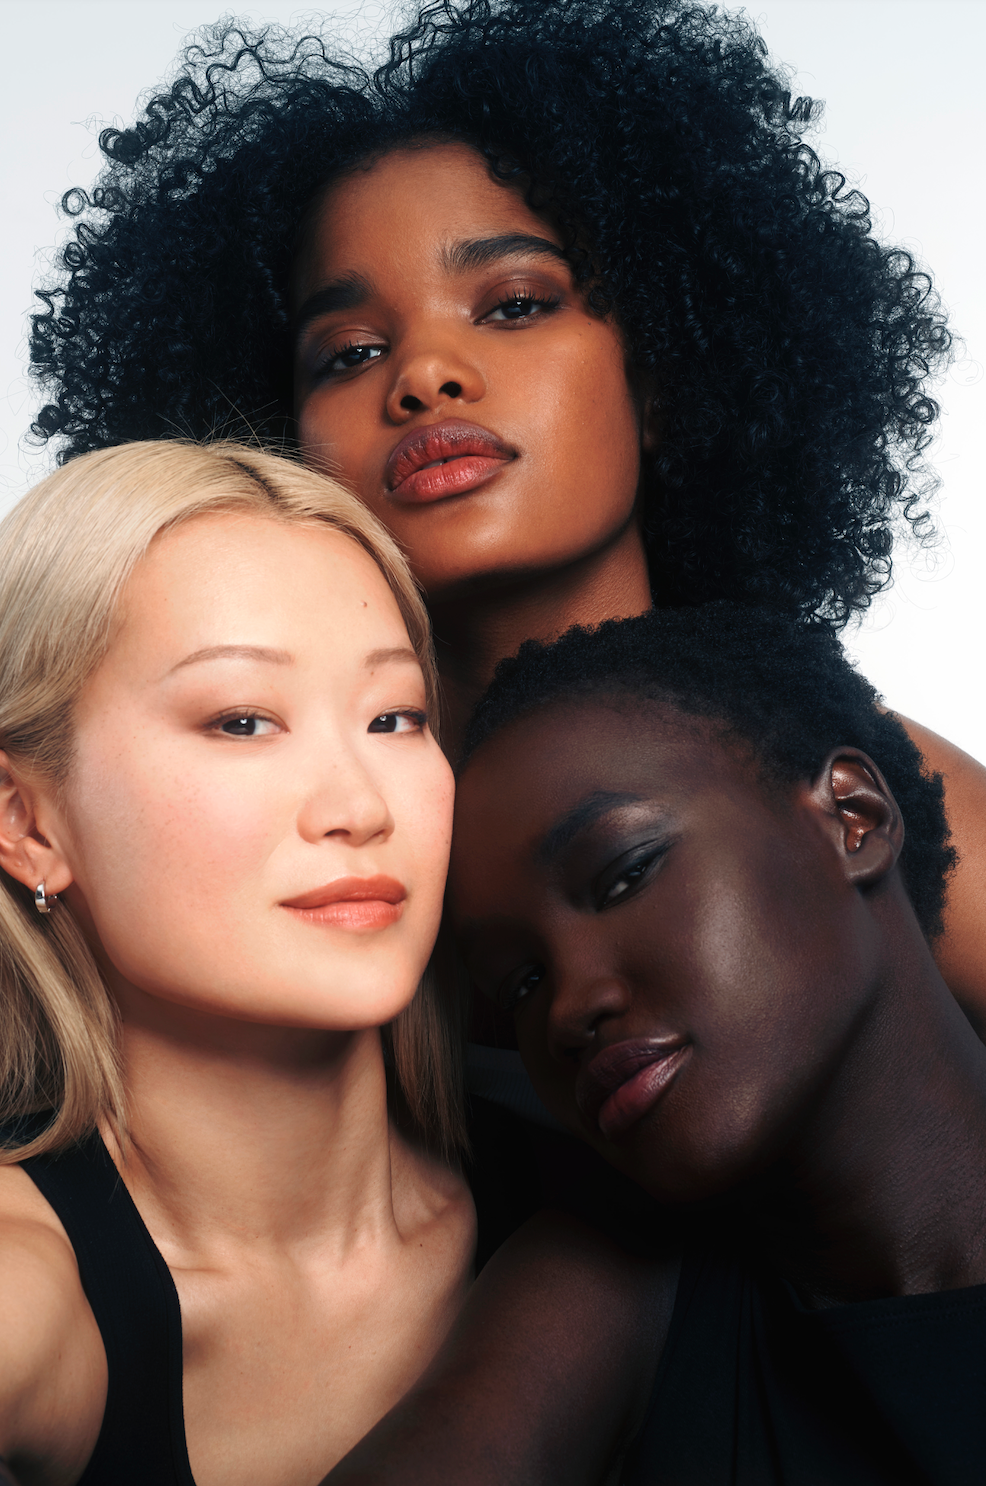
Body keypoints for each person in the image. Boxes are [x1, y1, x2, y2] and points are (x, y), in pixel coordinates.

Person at [26, 0, 986, 1017]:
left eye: (515, 305)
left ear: (663, 380)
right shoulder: (251, 854)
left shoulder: (844, 773)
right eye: (349, 353)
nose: (424, 375)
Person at [0, 440, 665, 1486]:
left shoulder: (621, 1174)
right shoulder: (27, 1283)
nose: (359, 806)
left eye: (393, 717)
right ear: (25, 822)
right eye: (242, 720)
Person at [349, 603, 983, 1484]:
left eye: (624, 874)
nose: (569, 1008)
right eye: (520, 984)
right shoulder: (610, 1286)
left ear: (855, 817)